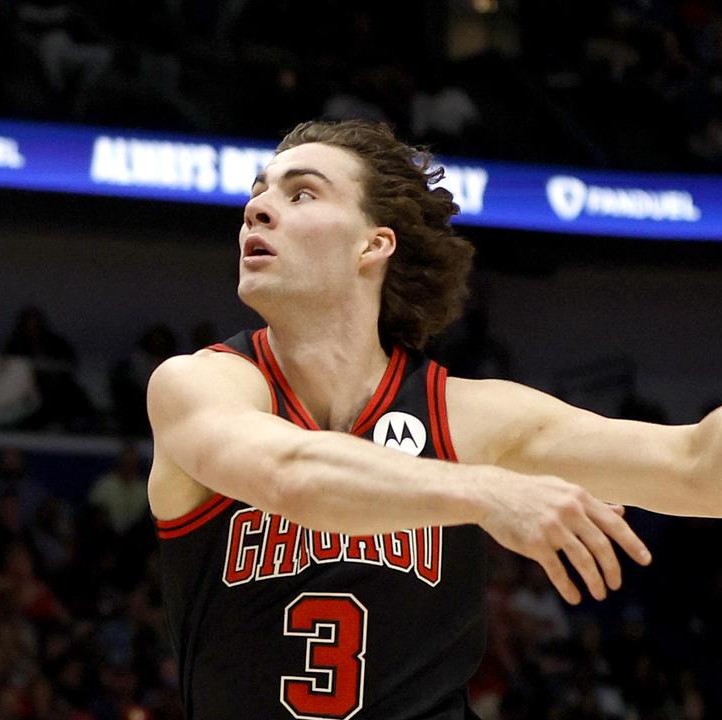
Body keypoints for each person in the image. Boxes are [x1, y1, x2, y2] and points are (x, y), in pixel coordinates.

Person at [145, 119, 721, 719]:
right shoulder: (200, 384)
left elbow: (696, 467)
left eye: (301, 193)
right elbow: (290, 475)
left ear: (374, 243)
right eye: (257, 193)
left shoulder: (466, 417)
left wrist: (485, 484)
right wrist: (487, 490)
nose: (257, 210)